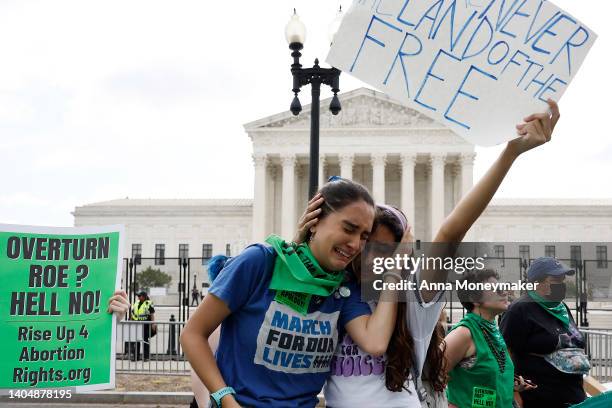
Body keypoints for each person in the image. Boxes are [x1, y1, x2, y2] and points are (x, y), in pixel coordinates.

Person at [181, 178, 402, 408]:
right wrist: (225, 399)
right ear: (314, 221)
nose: (356, 245)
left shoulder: (344, 289)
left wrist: (396, 268)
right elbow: (193, 334)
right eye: (349, 228)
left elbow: (376, 342)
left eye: (364, 236)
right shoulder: (259, 262)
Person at [500, 257, 589, 408]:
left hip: (574, 397)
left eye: (563, 279)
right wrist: (514, 395)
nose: (562, 284)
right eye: (556, 279)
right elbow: (503, 355)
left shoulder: (561, 308)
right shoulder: (520, 309)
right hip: (538, 399)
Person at [445, 270, 536, 408]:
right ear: (474, 298)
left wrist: (512, 386)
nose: (504, 292)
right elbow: (432, 374)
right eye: (495, 288)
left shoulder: (492, 330)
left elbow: (483, 375)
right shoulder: (464, 333)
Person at [130, 290, 156, 361]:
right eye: (138, 296)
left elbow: (152, 314)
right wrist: (131, 321)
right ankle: (136, 357)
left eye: (139, 296)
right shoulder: (136, 303)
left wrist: (153, 323)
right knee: (136, 341)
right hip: (137, 324)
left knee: (145, 341)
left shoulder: (148, 303)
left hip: (146, 324)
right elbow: (133, 313)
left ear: (144, 297)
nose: (138, 297)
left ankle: (146, 357)